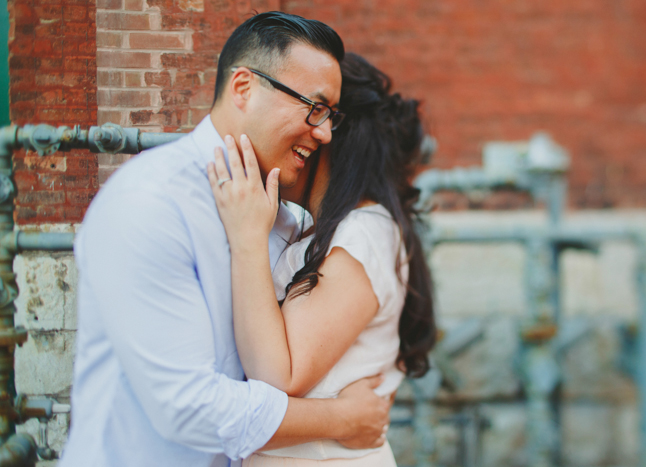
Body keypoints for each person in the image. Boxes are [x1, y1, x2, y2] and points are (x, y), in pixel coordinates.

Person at [59, 13, 391, 467]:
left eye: (331, 115)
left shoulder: (285, 221)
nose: (325, 132)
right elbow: (186, 406)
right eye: (313, 108)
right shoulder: (149, 203)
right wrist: (339, 420)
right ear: (243, 88)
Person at [207, 53, 437, 466]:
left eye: (314, 116)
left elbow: (280, 378)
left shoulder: (362, 233)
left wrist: (247, 240)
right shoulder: (333, 230)